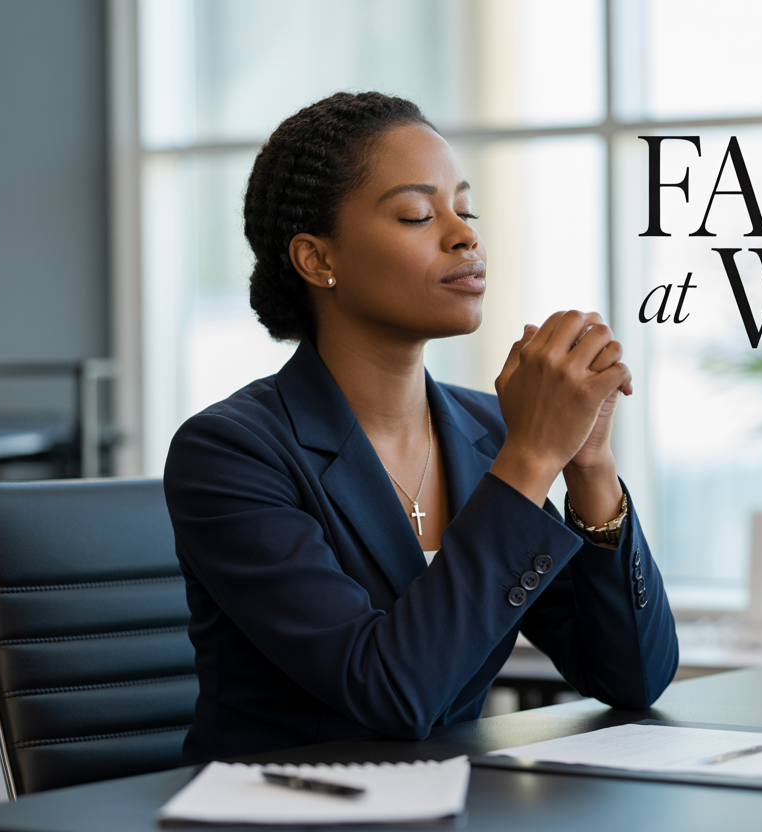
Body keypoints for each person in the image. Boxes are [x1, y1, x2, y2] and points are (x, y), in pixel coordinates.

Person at [163, 92, 679, 764]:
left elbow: (633, 678)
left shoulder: (486, 431)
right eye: (417, 214)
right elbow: (390, 693)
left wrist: (589, 466)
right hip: (289, 804)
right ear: (317, 259)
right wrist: (531, 458)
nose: (465, 236)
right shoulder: (230, 452)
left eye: (466, 210)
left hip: (455, 800)